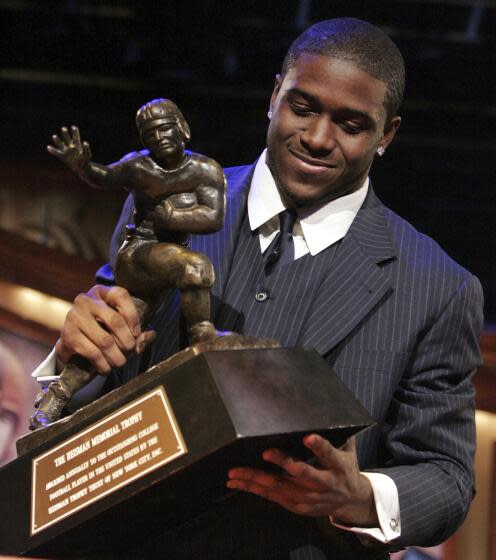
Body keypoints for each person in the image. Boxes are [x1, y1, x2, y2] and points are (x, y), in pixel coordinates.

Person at [33, 18, 483, 559]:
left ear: (386, 135)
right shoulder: (163, 210)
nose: (317, 138)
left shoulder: (438, 287)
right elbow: (102, 379)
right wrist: (72, 353)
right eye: (303, 107)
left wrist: (358, 495)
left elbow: (447, 478)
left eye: (351, 123)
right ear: (274, 96)